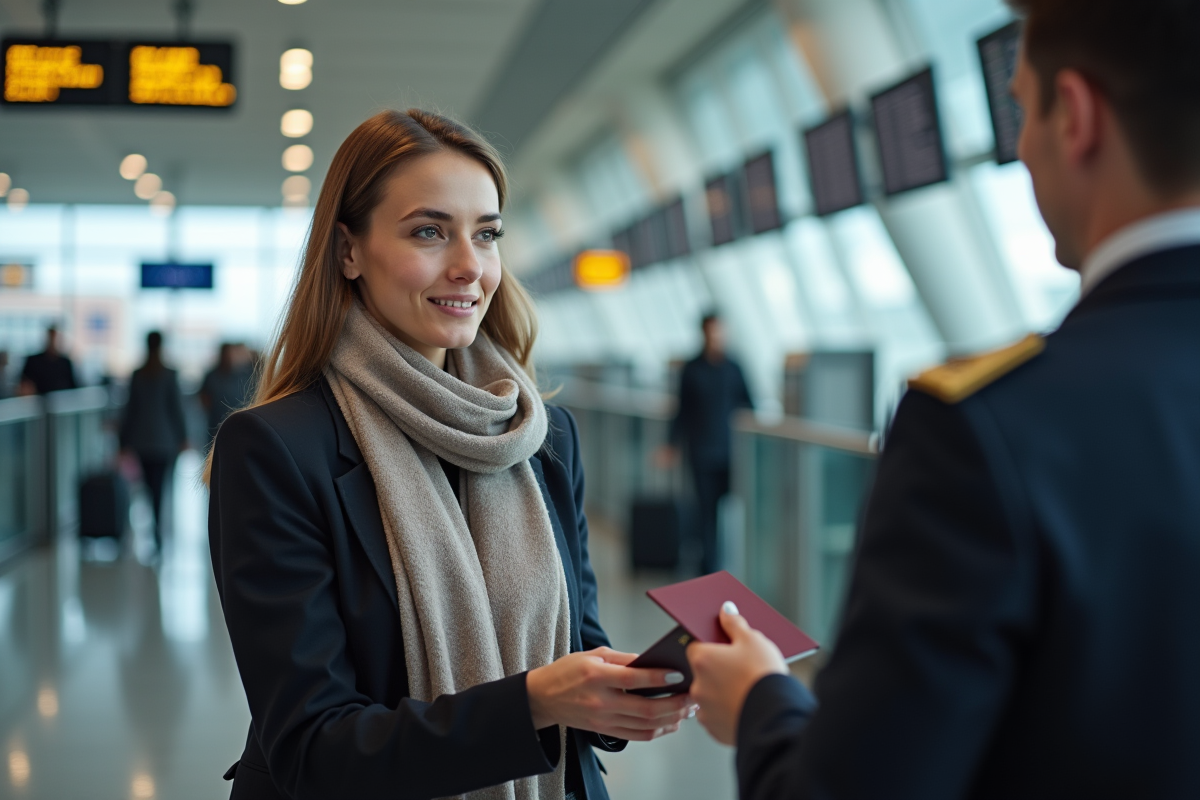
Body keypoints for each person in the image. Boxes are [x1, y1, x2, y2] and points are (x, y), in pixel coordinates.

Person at [687, 1, 1200, 797]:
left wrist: (762, 703)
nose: (1022, 146)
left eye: (1024, 108)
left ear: (1081, 117)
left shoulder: (988, 429)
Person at [207, 109, 693, 800]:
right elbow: (312, 747)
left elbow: (575, 644)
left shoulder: (542, 437)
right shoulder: (277, 449)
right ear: (348, 250)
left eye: (487, 234)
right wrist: (533, 703)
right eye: (429, 232)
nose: (469, 266)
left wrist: (625, 692)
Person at [659, 313, 753, 574]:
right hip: (701, 452)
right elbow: (682, 410)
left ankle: (732, 564)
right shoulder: (692, 369)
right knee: (705, 512)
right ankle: (710, 568)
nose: (717, 337)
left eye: (720, 332)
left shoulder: (735, 367)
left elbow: (749, 405)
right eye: (712, 332)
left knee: (733, 511)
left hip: (732, 454)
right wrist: (671, 445)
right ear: (704, 334)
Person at [120, 331, 189, 555]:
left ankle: (155, 527)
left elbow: (130, 409)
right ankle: (158, 530)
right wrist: (183, 436)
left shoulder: (138, 375)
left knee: (149, 487)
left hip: (142, 440)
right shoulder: (169, 374)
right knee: (160, 486)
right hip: (165, 440)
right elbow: (176, 409)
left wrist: (123, 440)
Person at [198, 342, 254, 447]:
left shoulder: (244, 376)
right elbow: (203, 397)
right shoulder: (212, 375)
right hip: (216, 422)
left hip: (239, 423)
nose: (231, 357)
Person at [18, 325, 77, 395]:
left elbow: (74, 387)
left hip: (62, 402)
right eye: (51, 337)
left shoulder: (65, 363)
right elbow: (24, 384)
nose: (53, 341)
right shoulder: (33, 361)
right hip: (36, 402)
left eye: (55, 337)